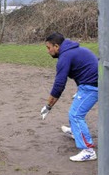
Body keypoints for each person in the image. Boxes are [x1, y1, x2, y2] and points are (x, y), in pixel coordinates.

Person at [40, 32, 98, 162]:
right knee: (75, 111)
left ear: (56, 46)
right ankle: (76, 133)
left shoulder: (65, 56)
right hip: (90, 84)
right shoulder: (73, 50)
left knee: (75, 115)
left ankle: (88, 151)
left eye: (49, 48)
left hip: (92, 86)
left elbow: (59, 85)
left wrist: (48, 106)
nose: (48, 51)